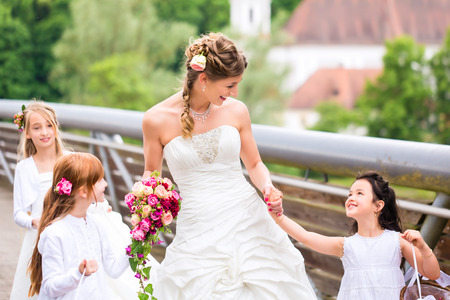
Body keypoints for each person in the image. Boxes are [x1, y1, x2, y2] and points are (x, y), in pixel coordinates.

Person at [142, 32, 317, 299]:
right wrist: (146, 204)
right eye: (229, 86)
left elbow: (255, 164)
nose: (235, 93)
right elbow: (151, 176)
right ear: (203, 80)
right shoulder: (155, 120)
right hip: (197, 227)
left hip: (248, 217)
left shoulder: (237, 111)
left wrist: (268, 188)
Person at [270, 171, 441, 300]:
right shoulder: (346, 245)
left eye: (360, 193)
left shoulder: (397, 241)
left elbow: (432, 273)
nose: (351, 197)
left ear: (378, 205)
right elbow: (306, 237)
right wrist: (279, 217)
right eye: (350, 193)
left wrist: (423, 247)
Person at [28, 152, 130, 299]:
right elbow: (49, 287)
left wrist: (137, 241)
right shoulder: (55, 233)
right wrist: (79, 273)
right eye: (100, 180)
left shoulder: (97, 223)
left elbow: (113, 269)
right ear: (83, 191)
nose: (105, 184)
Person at [11, 101, 66, 299]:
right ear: (27, 133)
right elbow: (18, 213)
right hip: (39, 237)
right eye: (37, 127)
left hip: (68, 236)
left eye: (49, 125)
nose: (44, 132)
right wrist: (33, 221)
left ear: (56, 128)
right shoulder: (24, 168)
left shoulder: (70, 160)